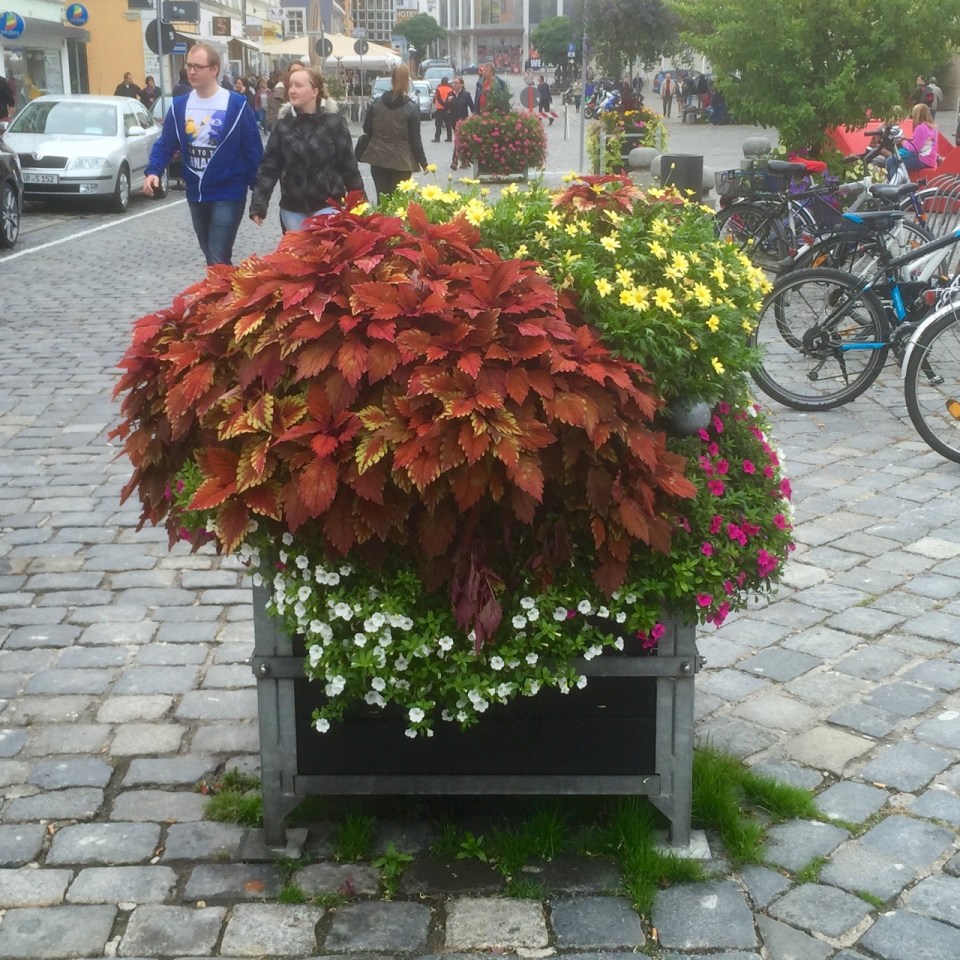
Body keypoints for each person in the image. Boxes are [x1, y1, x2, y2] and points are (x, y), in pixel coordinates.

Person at [143, 42, 263, 266]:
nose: (192, 71)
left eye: (198, 66)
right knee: (212, 257)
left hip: (228, 192)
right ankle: (229, 296)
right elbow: (165, 143)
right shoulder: (180, 105)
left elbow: (253, 151)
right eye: (189, 66)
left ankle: (222, 297)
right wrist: (154, 171)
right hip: (196, 193)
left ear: (214, 69)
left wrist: (259, 197)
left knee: (217, 258)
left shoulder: (236, 104)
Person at [249, 67, 364, 234]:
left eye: (299, 86)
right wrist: (259, 204)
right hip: (292, 207)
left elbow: (349, 167)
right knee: (297, 257)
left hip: (328, 205)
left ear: (314, 91)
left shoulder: (334, 123)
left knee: (323, 255)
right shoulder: (283, 126)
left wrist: (360, 203)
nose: (292, 91)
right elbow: (269, 167)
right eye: (290, 86)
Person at [360, 64, 428, 201]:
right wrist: (424, 163)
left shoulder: (376, 104)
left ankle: (380, 222)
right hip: (402, 161)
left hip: (378, 157)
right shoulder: (411, 108)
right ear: (407, 82)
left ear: (392, 80)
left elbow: (367, 128)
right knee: (398, 202)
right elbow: (415, 139)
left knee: (383, 200)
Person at [887, 102, 941, 180]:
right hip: (930, 160)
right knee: (894, 165)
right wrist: (907, 139)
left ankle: (897, 187)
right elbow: (923, 142)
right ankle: (898, 185)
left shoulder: (920, 128)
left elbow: (914, 148)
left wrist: (903, 142)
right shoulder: (932, 127)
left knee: (891, 161)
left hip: (922, 160)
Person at [447, 77, 475, 169]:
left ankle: (455, 162)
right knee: (460, 141)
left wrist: (474, 119)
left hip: (463, 121)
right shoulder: (450, 94)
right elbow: (446, 108)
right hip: (453, 121)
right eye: (453, 83)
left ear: (461, 84)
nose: (454, 84)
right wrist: (448, 102)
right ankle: (465, 161)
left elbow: (472, 108)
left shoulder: (466, 95)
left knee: (459, 140)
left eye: (456, 83)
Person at [431, 76, 454, 142]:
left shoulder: (438, 89)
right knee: (448, 123)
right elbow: (451, 99)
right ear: (447, 82)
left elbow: (438, 98)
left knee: (438, 124)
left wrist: (443, 104)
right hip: (447, 109)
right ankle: (449, 138)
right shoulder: (450, 89)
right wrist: (447, 106)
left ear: (441, 82)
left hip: (439, 109)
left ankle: (437, 138)